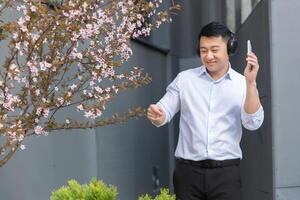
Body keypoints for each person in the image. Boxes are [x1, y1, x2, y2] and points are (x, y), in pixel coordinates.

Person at [146, 22, 264, 200]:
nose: (208, 56)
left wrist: (251, 83)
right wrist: (158, 114)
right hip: (188, 175)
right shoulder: (185, 80)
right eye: (203, 50)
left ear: (229, 48)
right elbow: (164, 111)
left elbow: (253, 123)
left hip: (226, 175)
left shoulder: (242, 83)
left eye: (214, 49)